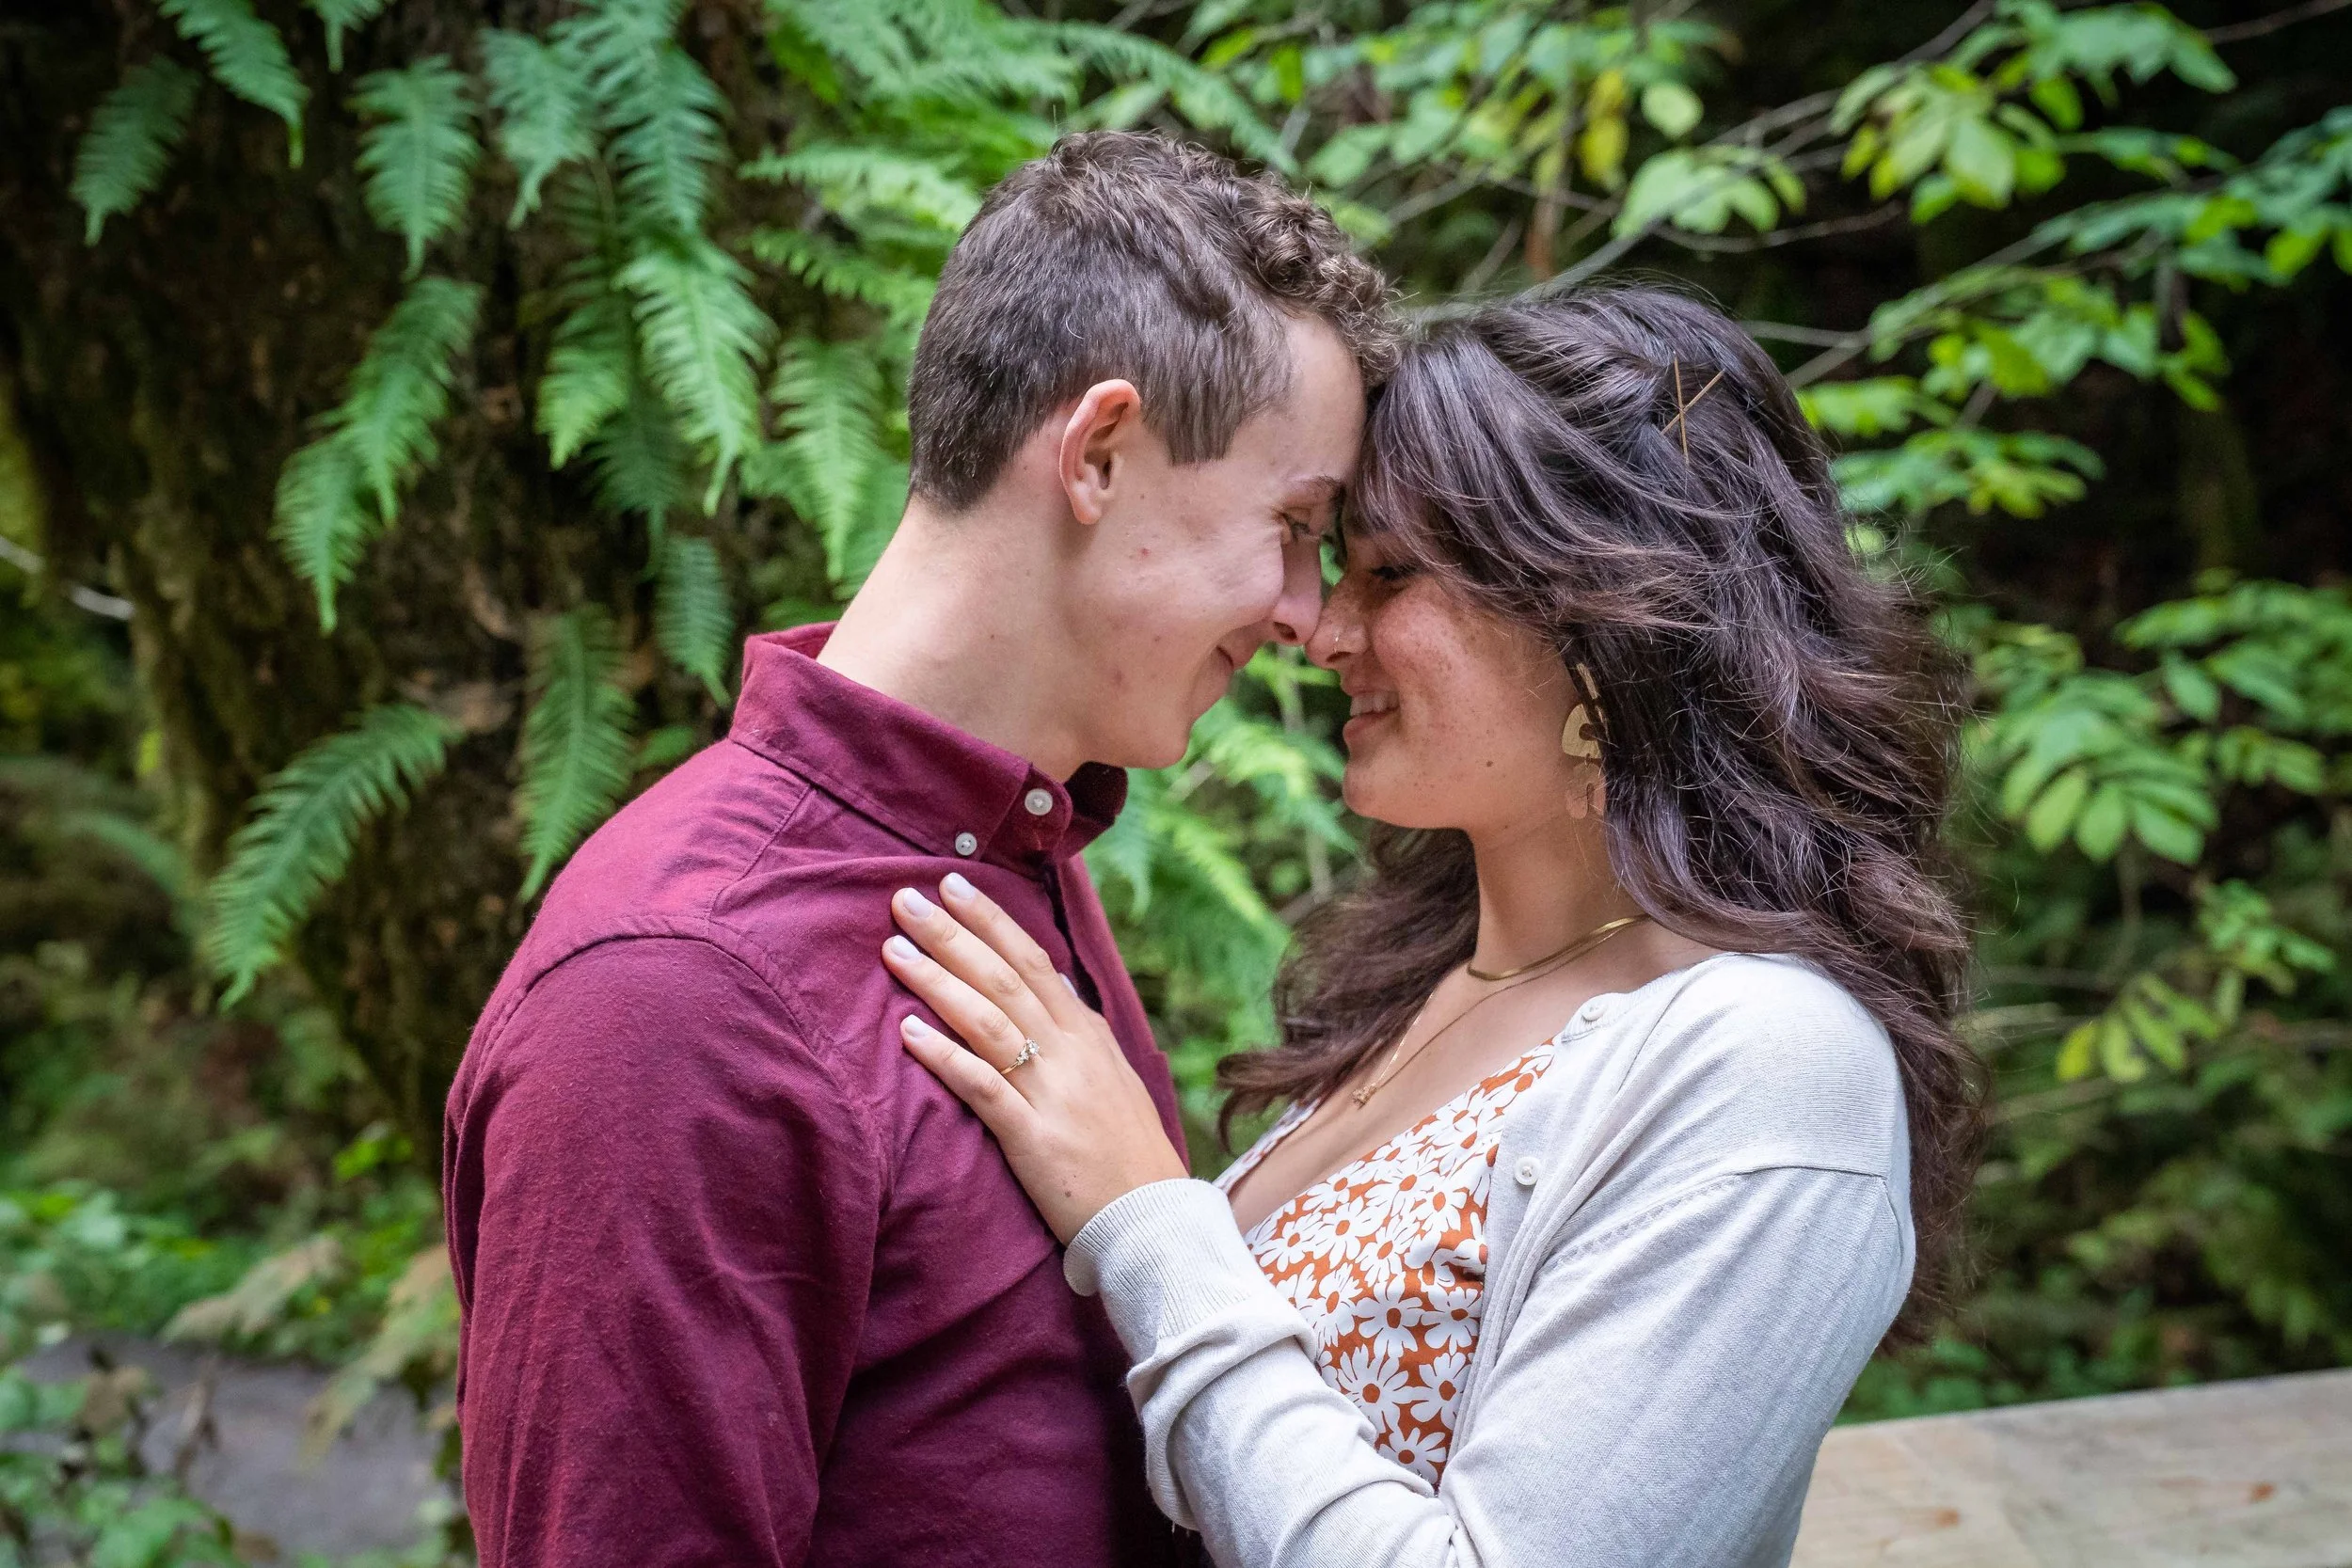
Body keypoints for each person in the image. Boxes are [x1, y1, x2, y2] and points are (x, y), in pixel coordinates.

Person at [882, 285, 1987, 1567]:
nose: (1325, 628)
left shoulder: (1771, 1065)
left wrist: (1144, 1217)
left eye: (1392, 573)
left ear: (1601, 614)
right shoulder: (1429, 991)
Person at [439, 131, 1393, 1567]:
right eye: (1298, 526)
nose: (1310, 614)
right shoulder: (676, 997)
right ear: (1100, 454)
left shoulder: (1006, 850)